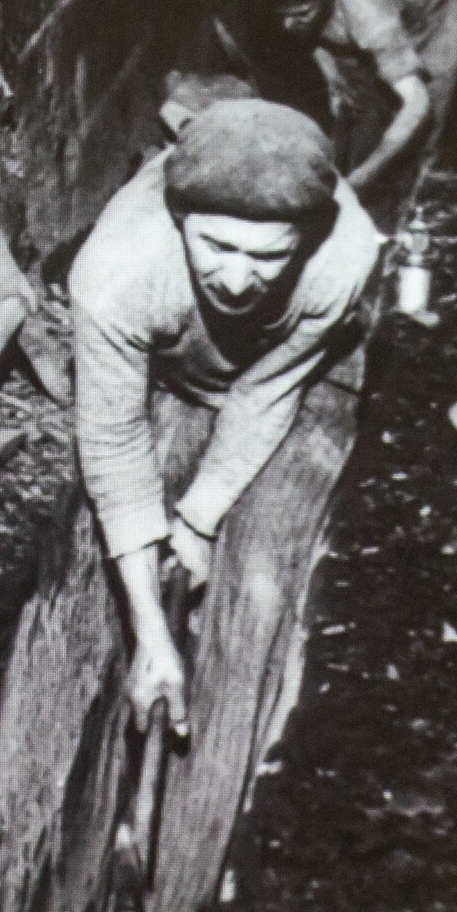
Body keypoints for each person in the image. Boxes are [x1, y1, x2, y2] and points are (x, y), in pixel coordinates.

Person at [69, 99, 382, 730]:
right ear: (178, 217)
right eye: (216, 246)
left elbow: (266, 391)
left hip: (277, 370)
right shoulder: (116, 271)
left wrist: (199, 517)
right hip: (172, 357)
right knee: (149, 481)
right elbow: (114, 443)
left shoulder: (344, 258)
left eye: (268, 256)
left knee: (269, 569)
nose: (237, 280)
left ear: (309, 237)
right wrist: (151, 635)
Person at [230, 0, 457, 236]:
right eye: (281, 15)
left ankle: (408, 219)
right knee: (354, 100)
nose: (286, 27)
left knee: (422, 125)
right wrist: (327, 65)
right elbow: (306, 26)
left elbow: (418, 106)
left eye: (300, 13)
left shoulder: (367, 12)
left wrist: (360, 180)